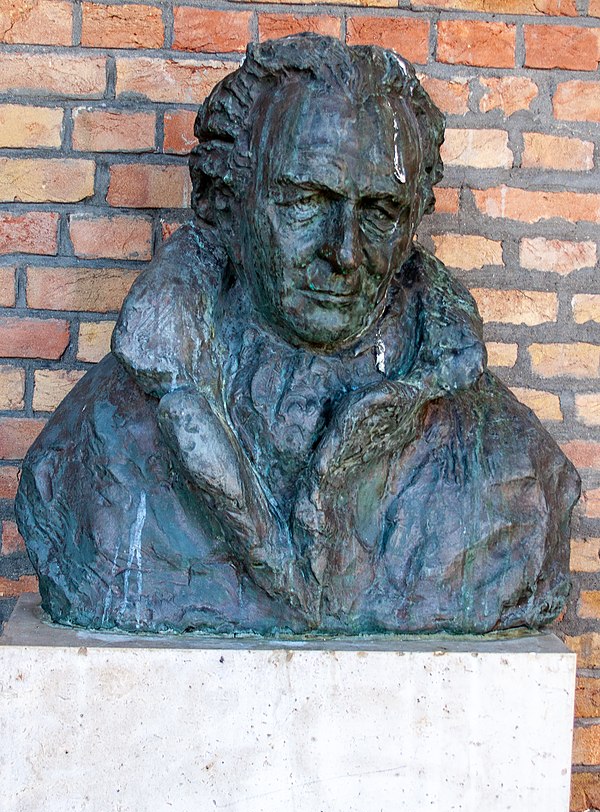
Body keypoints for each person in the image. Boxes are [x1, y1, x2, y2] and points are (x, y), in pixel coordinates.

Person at [16, 35, 580, 635]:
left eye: (380, 214)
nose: (343, 252)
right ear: (224, 202)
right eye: (307, 201)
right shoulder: (93, 446)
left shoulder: (515, 468)